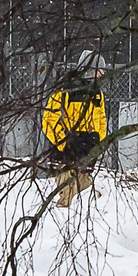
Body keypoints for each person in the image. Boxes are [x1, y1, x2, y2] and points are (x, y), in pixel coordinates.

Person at [42, 64, 109, 206]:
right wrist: (64, 144)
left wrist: (98, 144)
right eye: (99, 71)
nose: (101, 75)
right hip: (67, 155)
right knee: (67, 196)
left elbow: (101, 121)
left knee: (83, 198)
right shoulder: (65, 91)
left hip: (87, 152)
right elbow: (49, 120)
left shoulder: (97, 94)